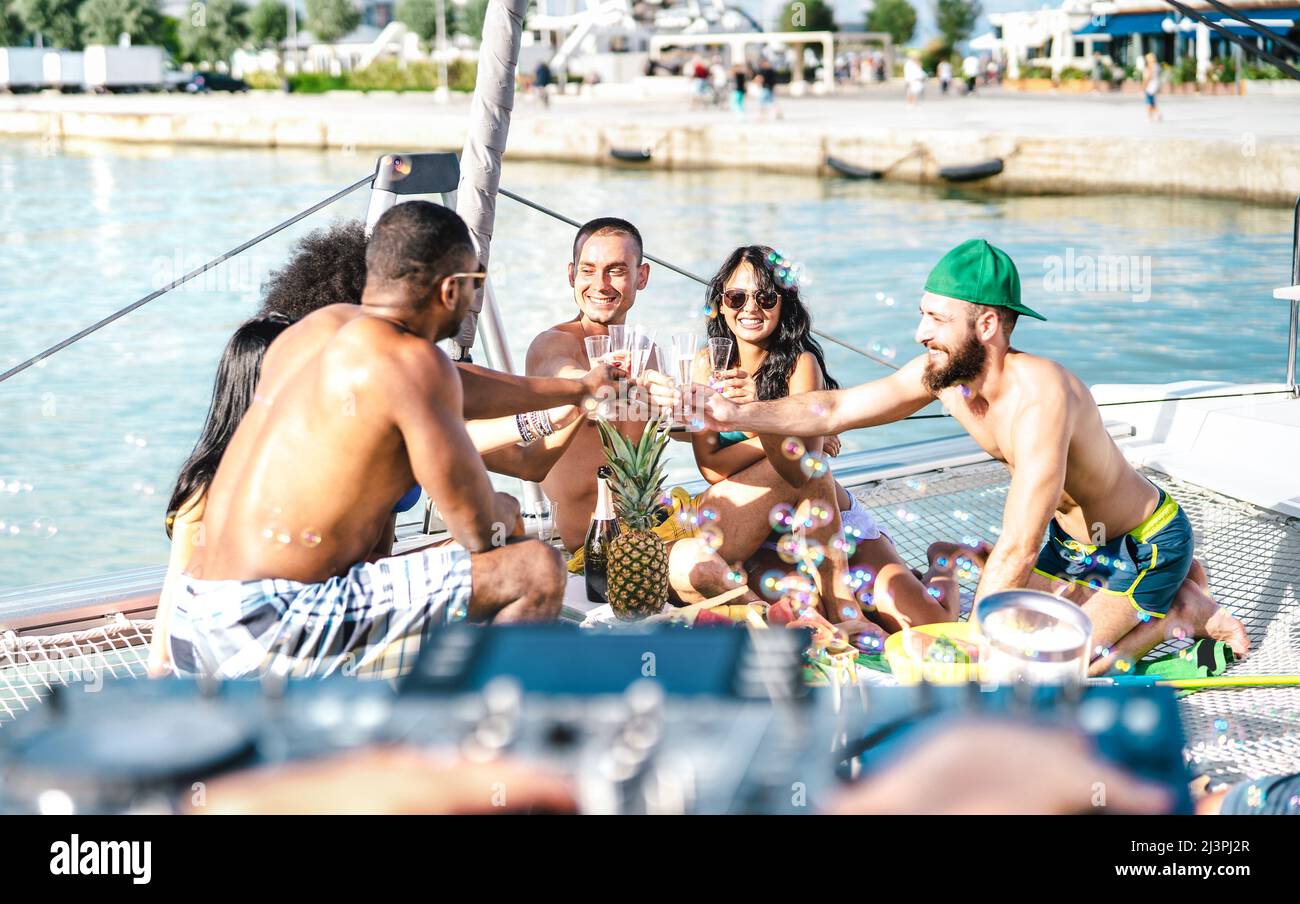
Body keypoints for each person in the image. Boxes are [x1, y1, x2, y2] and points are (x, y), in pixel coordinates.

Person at [650, 239, 1250, 676]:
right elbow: (830, 412)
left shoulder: (1044, 398)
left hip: (1144, 541)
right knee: (1027, 638)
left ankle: (1179, 606)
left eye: (935, 319)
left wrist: (969, 643)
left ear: (986, 324)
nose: (919, 333)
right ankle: (1178, 599)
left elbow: (1017, 543)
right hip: (1074, 547)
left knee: (1057, 666)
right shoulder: (945, 376)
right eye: (921, 315)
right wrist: (731, 415)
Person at [172, 202, 570, 679]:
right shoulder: (414, 364)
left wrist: (578, 389)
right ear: (450, 289)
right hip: (268, 624)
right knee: (536, 569)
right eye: (474, 286)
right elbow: (478, 532)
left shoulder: (317, 331)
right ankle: (464, 736)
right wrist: (500, 516)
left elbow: (467, 385)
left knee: (496, 531)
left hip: (194, 620)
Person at [677, 246, 962, 631]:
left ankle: (942, 558)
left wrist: (758, 412)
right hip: (756, 522)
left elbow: (802, 469)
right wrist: (783, 435)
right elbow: (712, 467)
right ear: (722, 305)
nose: (750, 308)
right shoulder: (706, 363)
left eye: (765, 297)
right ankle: (849, 606)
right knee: (808, 608)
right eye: (737, 297)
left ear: (783, 304)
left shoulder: (799, 364)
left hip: (823, 521)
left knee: (932, 623)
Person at [150, 316, 290, 676]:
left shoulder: (294, 466)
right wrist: (158, 670)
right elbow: (178, 581)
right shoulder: (208, 485)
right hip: (233, 657)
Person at [1143, 52, 1162, 122]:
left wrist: (1144, 85)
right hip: (1156, 85)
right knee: (1152, 101)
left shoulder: (1150, 66)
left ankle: (1149, 117)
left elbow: (1148, 77)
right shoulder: (1157, 66)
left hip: (1150, 86)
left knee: (1148, 102)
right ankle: (1158, 113)